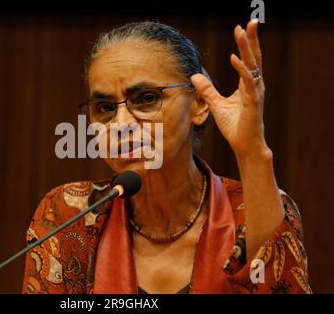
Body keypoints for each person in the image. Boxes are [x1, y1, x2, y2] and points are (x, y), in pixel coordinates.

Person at [22, 20, 311, 294]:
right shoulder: (70, 216)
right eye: (105, 108)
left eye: (147, 98)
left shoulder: (252, 212)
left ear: (198, 103)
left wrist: (252, 151)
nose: (121, 125)